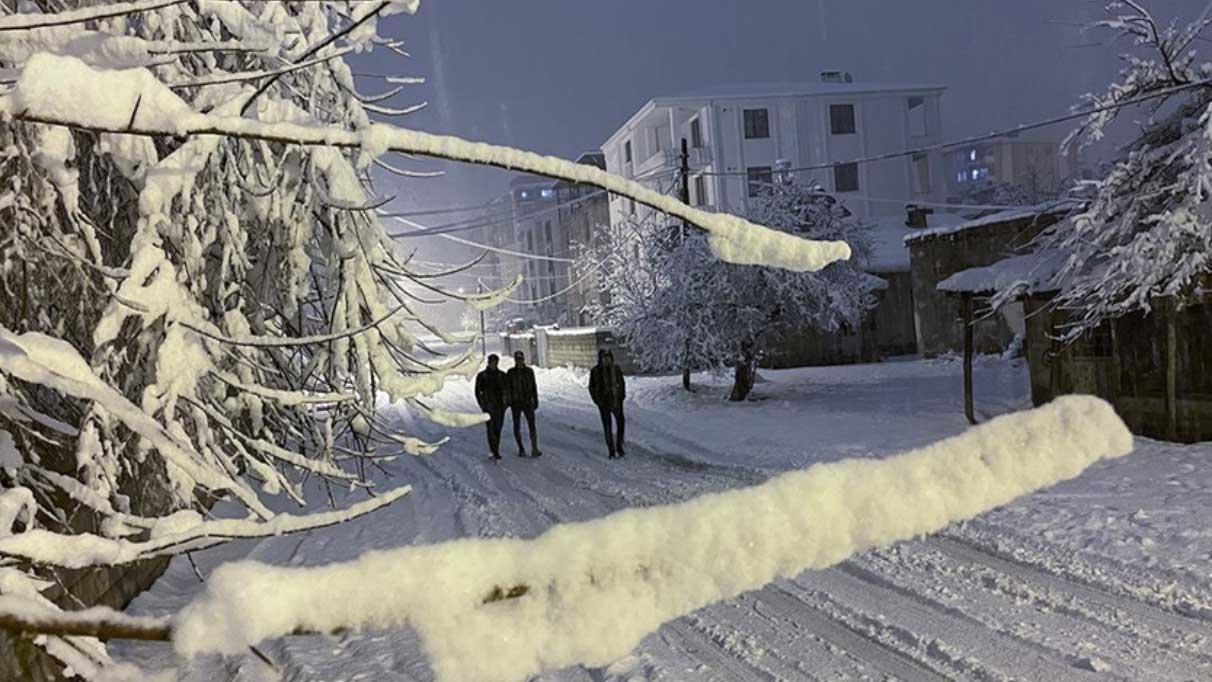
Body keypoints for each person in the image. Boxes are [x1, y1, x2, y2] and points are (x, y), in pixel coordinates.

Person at [589, 349, 626, 459]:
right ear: (600, 359)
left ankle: (619, 445)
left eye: (608, 357)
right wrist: (597, 400)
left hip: (616, 400)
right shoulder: (595, 371)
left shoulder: (616, 369)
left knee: (620, 423)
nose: (607, 359)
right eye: (604, 357)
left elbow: (621, 383)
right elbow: (592, 387)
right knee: (607, 425)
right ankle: (611, 449)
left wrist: (621, 396)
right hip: (603, 402)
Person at [507, 350, 541, 457]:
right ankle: (521, 448)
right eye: (517, 360)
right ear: (515, 360)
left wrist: (535, 399)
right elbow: (508, 388)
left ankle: (534, 447)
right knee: (517, 426)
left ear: (523, 359)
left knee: (532, 425)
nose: (519, 362)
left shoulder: (529, 372)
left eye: (521, 359)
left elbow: (533, 387)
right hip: (516, 403)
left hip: (527, 401)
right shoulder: (511, 373)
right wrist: (509, 401)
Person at [474, 354, 509, 460]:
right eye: (492, 362)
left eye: (495, 362)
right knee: (490, 429)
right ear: (489, 363)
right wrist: (482, 405)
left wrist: (505, 404)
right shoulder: (482, 376)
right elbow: (477, 392)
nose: (493, 364)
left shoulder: (502, 375)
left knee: (498, 428)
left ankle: (496, 447)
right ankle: (493, 450)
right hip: (488, 407)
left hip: (499, 406)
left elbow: (507, 390)